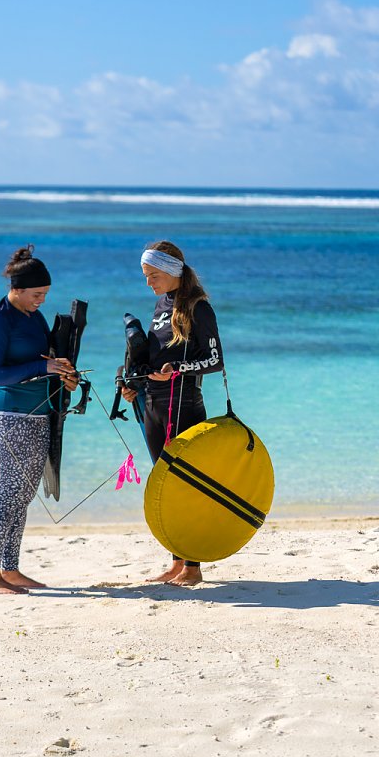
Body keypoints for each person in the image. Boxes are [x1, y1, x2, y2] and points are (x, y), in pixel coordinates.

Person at [122, 240, 225, 587]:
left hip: (184, 407)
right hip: (152, 405)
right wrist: (133, 382)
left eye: (152, 275)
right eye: (146, 275)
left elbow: (214, 361)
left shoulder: (198, 308)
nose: (148, 282)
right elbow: (156, 354)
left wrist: (176, 369)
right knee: (165, 486)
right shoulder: (160, 304)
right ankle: (177, 561)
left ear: (170, 271)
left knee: (186, 488)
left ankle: (193, 567)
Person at [0, 245, 78, 594]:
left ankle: (12, 569)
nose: (41, 300)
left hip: (39, 416)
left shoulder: (33, 317)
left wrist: (64, 375)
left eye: (46, 295)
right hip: (11, 418)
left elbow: (46, 361)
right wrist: (44, 367)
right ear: (17, 288)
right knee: (7, 495)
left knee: (23, 497)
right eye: (37, 294)